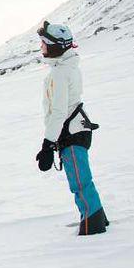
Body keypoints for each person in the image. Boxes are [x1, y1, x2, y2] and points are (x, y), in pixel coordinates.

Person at [35, 21, 108, 235]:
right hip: (74, 130)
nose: (41, 47)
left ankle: (92, 225)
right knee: (81, 179)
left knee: (80, 181)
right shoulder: (66, 68)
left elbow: (58, 112)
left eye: (44, 43)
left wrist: (47, 145)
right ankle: (98, 217)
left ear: (55, 46)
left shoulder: (60, 73)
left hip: (72, 132)